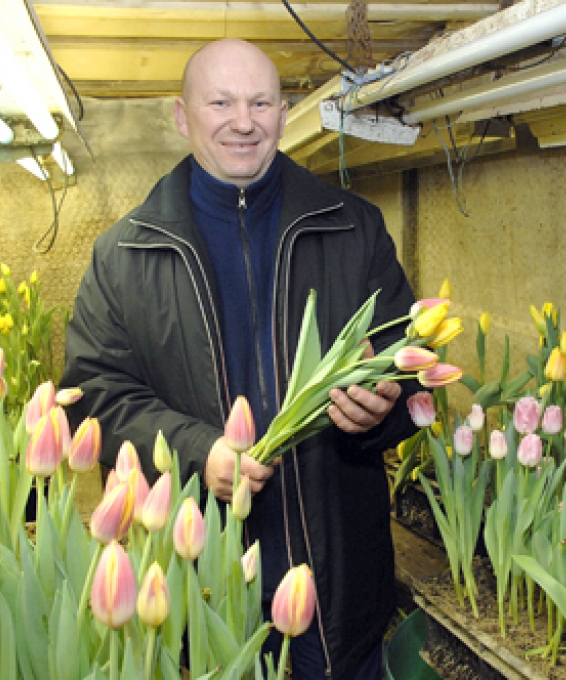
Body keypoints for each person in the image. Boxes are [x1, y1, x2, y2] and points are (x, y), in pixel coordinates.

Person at [60, 38, 419, 679]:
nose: (244, 121)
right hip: (198, 579)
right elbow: (95, 394)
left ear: (284, 114)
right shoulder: (125, 254)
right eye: (221, 102)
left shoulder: (353, 227)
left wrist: (382, 409)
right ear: (182, 115)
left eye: (261, 102)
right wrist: (199, 451)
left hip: (335, 587)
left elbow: (408, 364)